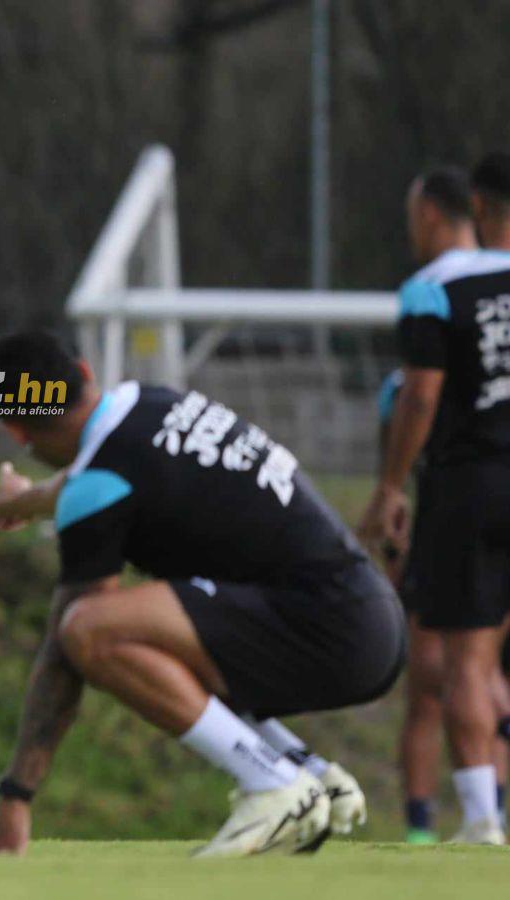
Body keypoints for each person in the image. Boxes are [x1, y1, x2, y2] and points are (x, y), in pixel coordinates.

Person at [0, 332, 402, 858]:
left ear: (15, 428)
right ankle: (306, 772)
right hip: (367, 616)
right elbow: (92, 475)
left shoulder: (99, 483)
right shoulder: (151, 402)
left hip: (331, 633)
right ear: (85, 373)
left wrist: (16, 794)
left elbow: (66, 652)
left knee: (90, 628)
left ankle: (270, 783)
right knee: (169, 628)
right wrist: (27, 503)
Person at [360, 150, 510, 845]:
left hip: (472, 485)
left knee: (464, 665)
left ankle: (481, 820)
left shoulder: (432, 290)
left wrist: (392, 485)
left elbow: (421, 394)